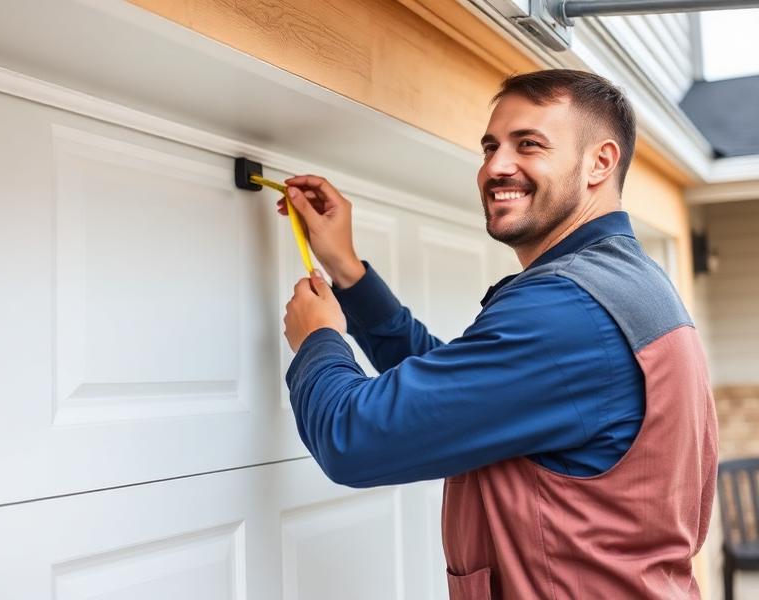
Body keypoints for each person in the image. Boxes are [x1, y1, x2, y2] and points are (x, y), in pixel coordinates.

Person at [278, 69, 717, 599]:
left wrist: (318, 340)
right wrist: (348, 274)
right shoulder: (625, 284)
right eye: (490, 147)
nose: (495, 167)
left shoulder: (568, 308)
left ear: (601, 162)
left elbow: (355, 437)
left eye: (528, 145)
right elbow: (461, 396)